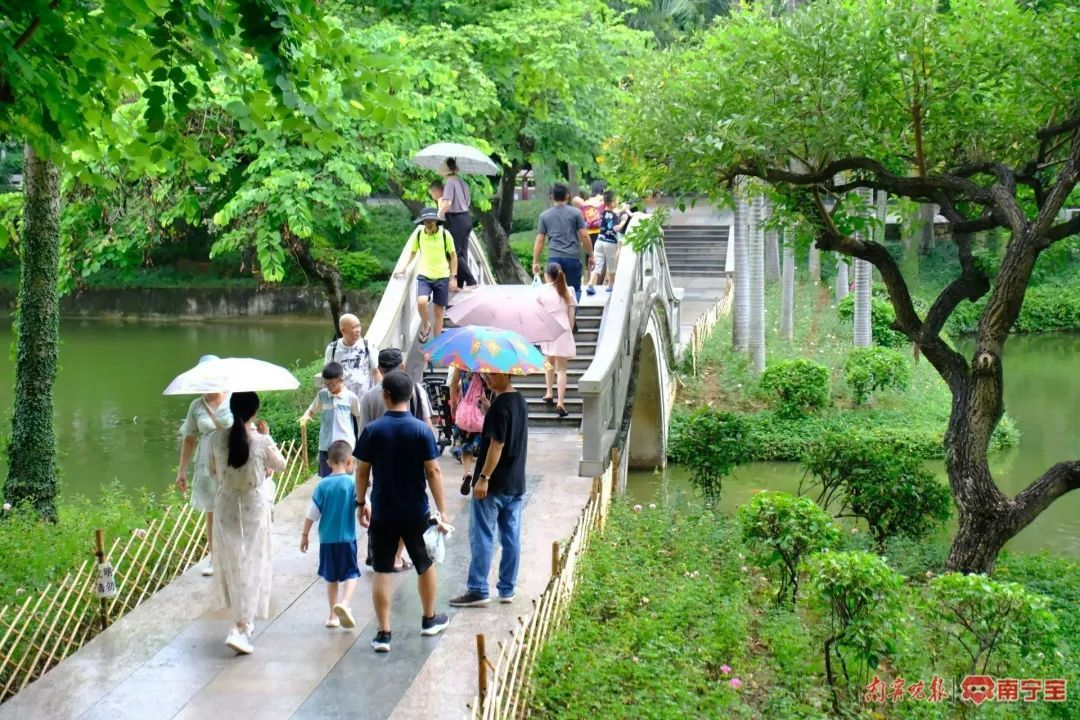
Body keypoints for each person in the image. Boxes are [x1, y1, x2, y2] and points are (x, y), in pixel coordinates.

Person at [354, 371, 452, 653]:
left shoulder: (372, 430)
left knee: (383, 570)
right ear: (410, 396)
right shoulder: (421, 430)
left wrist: (361, 504)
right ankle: (429, 619)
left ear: (385, 395)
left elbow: (362, 471)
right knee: (424, 565)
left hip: (383, 511)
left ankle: (383, 633)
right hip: (415, 511)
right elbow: (432, 471)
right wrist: (442, 510)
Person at [208, 391, 285, 655]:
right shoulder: (261, 441)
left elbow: (212, 471)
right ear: (255, 411)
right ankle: (242, 626)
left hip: (226, 503)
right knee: (254, 561)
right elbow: (281, 465)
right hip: (253, 505)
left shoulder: (217, 439)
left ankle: (239, 622)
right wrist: (267, 434)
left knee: (233, 562)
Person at [450, 371, 529, 608]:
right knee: (510, 536)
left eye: (493, 373)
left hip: (493, 484)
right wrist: (487, 411)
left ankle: (478, 589)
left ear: (507, 374)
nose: (487, 377)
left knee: (482, 534)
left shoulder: (500, 406)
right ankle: (507, 588)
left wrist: (483, 477)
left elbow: (497, 444)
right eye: (487, 373)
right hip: (515, 481)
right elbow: (507, 431)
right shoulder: (519, 401)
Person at [359, 347, 435, 572]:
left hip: (380, 465)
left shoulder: (370, 396)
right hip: (413, 464)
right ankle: (399, 555)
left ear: (379, 370)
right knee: (411, 511)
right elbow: (428, 425)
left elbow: (363, 434)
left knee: (382, 510)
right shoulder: (416, 390)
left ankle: (384, 556)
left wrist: (360, 501)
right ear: (402, 367)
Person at [175, 355, 232, 578]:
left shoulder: (232, 398)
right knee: (212, 510)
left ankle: (236, 554)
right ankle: (214, 556)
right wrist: (181, 470)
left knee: (234, 506)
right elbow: (189, 438)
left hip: (231, 458)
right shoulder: (196, 406)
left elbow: (247, 427)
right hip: (207, 464)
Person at [300, 440, 361, 630]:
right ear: (350, 461)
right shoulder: (353, 483)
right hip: (347, 538)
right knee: (352, 573)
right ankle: (344, 603)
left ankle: (332, 616)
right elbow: (364, 503)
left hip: (327, 540)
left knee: (331, 577)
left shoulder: (322, 486)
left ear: (328, 463)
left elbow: (312, 513)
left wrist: (304, 535)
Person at [395, 208, 458, 342]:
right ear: (423, 222)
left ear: (436, 221)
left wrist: (453, 277)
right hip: (425, 275)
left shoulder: (445, 235)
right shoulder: (419, 235)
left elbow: (453, 256)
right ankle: (426, 324)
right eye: (426, 221)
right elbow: (413, 252)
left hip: (442, 276)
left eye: (432, 220)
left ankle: (436, 342)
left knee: (439, 312)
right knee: (421, 302)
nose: (429, 223)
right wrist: (404, 268)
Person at [299, 362, 362, 478]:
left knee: (346, 478)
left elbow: (358, 415)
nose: (329, 387)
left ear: (341, 380)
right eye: (326, 384)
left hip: (344, 444)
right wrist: (307, 415)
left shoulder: (350, 397)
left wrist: (360, 437)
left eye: (332, 384)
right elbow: (312, 409)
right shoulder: (323, 395)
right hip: (325, 444)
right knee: (326, 478)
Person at [533, 183, 593, 301]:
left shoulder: (544, 216)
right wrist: (591, 255)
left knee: (553, 291)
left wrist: (536, 261)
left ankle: (558, 317)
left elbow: (540, 240)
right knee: (574, 290)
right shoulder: (576, 213)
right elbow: (584, 236)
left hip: (554, 258)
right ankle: (572, 316)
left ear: (551, 196)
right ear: (567, 196)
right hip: (572, 257)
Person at [538, 263, 577, 418]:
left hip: (548, 329)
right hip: (563, 330)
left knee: (548, 362)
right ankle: (560, 402)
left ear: (547, 275)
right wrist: (569, 331)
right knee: (561, 369)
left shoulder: (542, 292)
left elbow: (538, 312)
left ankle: (548, 393)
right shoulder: (568, 291)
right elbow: (571, 317)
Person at [448, 367, 494, 495]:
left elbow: (453, 384)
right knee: (486, 447)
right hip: (484, 412)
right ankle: (482, 476)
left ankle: (467, 472)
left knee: (465, 447)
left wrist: (453, 404)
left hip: (465, 414)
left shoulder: (462, 363)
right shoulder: (488, 364)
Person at [436, 158, 478, 289]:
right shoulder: (463, 182)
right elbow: (468, 202)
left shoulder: (449, 182)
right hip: (466, 218)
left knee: (454, 252)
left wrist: (439, 215)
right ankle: (460, 283)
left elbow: (447, 203)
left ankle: (471, 281)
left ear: (446, 169)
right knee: (462, 252)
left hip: (456, 220)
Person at [324, 314, 381, 399]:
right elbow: (327, 376)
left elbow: (376, 372)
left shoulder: (367, 345)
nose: (358, 330)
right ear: (343, 330)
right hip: (342, 401)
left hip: (365, 400)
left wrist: (381, 393)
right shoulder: (333, 349)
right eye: (354, 327)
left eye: (359, 326)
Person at [589, 190, 631, 293]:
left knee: (597, 265)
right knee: (611, 265)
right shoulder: (615, 213)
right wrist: (623, 221)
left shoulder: (601, 213)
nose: (618, 202)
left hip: (599, 241)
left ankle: (590, 284)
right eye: (616, 200)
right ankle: (611, 285)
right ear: (612, 203)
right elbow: (616, 228)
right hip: (611, 242)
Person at [579, 181, 606, 295]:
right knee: (602, 260)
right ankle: (598, 285)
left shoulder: (585, 204)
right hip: (601, 232)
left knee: (591, 259)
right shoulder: (603, 202)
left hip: (589, 233)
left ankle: (591, 282)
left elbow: (582, 220)